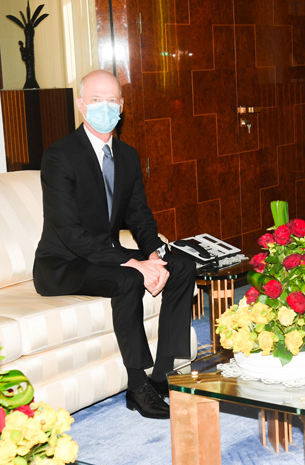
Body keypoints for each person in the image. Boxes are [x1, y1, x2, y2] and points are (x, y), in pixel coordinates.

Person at [33, 69, 196, 420]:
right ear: (81, 105)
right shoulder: (60, 156)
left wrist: (153, 252)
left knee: (181, 265)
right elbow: (69, 232)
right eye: (95, 100)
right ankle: (137, 386)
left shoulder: (127, 156)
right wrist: (133, 263)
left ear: (122, 106)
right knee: (129, 279)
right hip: (63, 263)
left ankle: (163, 373)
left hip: (100, 255)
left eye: (111, 100)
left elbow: (139, 215)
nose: (103, 107)